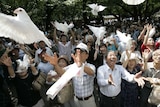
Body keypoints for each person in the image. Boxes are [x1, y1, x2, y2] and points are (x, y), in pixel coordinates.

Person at [43, 42, 97, 107]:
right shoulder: (72, 67)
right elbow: (62, 73)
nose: (78, 54)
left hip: (88, 101)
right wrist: (55, 65)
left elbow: (91, 72)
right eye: (77, 52)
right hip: (76, 100)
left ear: (87, 55)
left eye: (81, 52)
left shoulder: (91, 66)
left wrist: (81, 65)